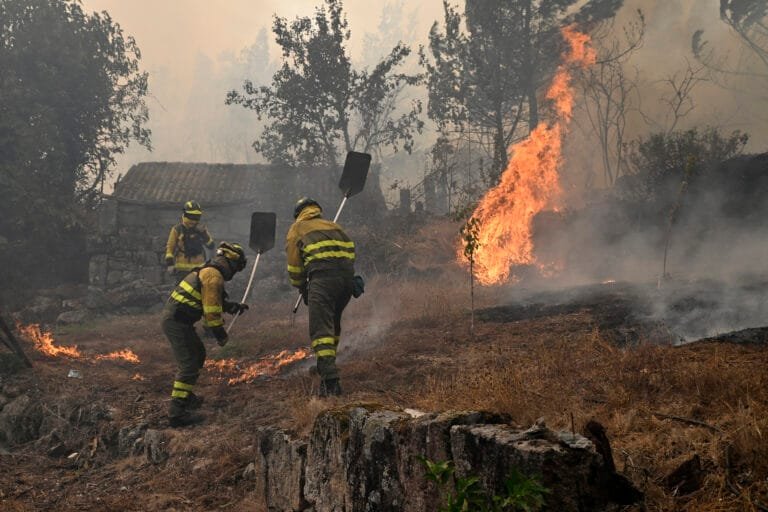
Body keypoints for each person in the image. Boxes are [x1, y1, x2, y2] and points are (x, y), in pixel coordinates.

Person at [162, 241, 249, 427]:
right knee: (189, 365)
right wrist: (221, 335)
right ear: (231, 263)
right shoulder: (213, 276)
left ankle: (186, 396)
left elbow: (212, 299)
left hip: (179, 320)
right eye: (236, 269)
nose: (234, 274)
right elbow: (211, 314)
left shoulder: (210, 272)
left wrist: (232, 306)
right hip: (177, 322)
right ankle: (177, 414)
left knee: (198, 353)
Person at [286, 197, 355, 397]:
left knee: (321, 330)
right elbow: (350, 252)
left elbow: (294, 265)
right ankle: (325, 365)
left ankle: (330, 382)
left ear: (298, 213)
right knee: (333, 325)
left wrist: (301, 287)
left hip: (323, 281)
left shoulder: (297, 229)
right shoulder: (334, 226)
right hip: (346, 282)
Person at [165, 200, 215, 284]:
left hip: (199, 269)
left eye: (196, 217)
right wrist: (170, 264)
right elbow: (170, 247)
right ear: (185, 215)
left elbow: (211, 245)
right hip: (181, 270)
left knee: (198, 293)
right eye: (191, 216)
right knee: (182, 294)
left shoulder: (201, 229)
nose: (193, 220)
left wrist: (203, 234)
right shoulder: (177, 229)